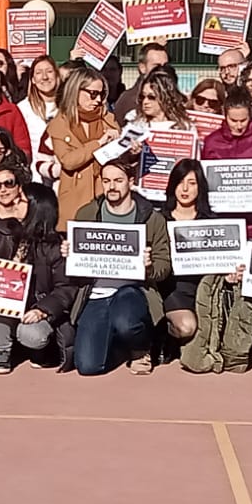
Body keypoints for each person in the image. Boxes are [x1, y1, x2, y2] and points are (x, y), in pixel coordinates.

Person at [47, 155, 169, 376]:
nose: (111, 186)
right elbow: (77, 263)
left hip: (134, 290)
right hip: (95, 293)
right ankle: (117, 346)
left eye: (118, 180)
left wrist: (149, 266)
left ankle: (140, 347)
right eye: (106, 181)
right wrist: (68, 255)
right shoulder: (87, 214)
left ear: (131, 182)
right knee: (88, 367)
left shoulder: (152, 219)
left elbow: (165, 265)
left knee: (127, 321)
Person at [0, 179, 63, 373]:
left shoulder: (55, 245)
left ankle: (42, 349)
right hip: (11, 302)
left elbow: (65, 289)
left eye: (20, 200)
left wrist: (42, 310)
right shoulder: (5, 233)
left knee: (31, 335)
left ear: (36, 208)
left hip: (40, 306)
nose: (14, 203)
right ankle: (3, 351)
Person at [199, 85, 252, 241]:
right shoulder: (212, 142)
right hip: (223, 224)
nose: (239, 126)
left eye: (243, 120)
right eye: (233, 120)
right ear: (224, 115)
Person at [45, 65, 116, 228]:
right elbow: (68, 161)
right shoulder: (60, 123)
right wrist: (98, 143)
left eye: (101, 94)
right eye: (93, 94)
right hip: (75, 202)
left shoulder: (107, 119)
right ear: (76, 91)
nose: (98, 100)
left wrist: (130, 152)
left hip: (105, 197)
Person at [158, 159, 213, 347]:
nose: (185, 189)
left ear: (200, 187)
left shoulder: (212, 222)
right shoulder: (159, 219)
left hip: (203, 288)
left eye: (191, 183)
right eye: (180, 182)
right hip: (172, 288)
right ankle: (162, 336)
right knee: (187, 327)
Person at [16, 55, 64, 171]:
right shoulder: (23, 108)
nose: (45, 77)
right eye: (38, 73)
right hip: (35, 177)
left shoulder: (68, 106)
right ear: (32, 79)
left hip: (64, 176)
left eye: (49, 71)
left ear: (57, 76)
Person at [110, 43, 175, 118]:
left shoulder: (174, 96)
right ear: (142, 68)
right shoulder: (130, 100)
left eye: (165, 65)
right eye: (157, 66)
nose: (163, 70)